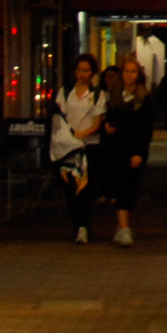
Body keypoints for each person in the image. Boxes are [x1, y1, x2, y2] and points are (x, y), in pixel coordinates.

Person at [50, 54, 108, 242]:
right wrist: (69, 135)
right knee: (70, 186)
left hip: (90, 145)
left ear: (92, 73)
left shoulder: (97, 95)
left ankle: (84, 225)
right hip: (69, 147)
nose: (82, 74)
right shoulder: (65, 92)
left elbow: (98, 121)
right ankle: (76, 223)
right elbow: (59, 116)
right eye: (79, 70)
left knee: (87, 187)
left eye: (86, 70)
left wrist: (84, 134)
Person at [97, 67, 155, 247]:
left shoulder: (144, 98)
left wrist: (139, 151)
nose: (129, 75)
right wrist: (107, 126)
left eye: (133, 72)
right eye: (126, 72)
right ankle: (123, 226)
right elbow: (108, 118)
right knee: (119, 184)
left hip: (134, 147)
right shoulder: (113, 95)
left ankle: (123, 225)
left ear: (138, 75)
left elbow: (146, 127)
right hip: (116, 147)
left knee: (130, 186)